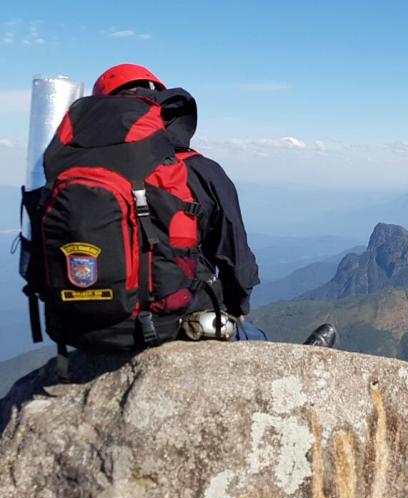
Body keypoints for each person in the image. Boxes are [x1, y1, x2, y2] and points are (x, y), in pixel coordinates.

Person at [91, 64, 336, 348]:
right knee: (259, 343)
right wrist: (236, 308)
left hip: (98, 326)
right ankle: (302, 365)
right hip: (179, 322)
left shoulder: (78, 175)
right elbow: (236, 259)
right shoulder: (200, 171)